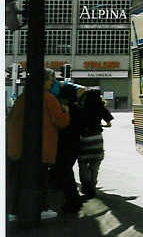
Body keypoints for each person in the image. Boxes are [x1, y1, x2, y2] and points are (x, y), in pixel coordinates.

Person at [6, 68, 71, 222]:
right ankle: (41, 208)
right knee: (41, 179)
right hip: (41, 148)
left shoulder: (23, 97)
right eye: (51, 80)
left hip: (19, 148)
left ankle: (14, 211)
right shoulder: (48, 98)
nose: (53, 83)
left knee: (20, 179)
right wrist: (66, 111)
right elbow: (61, 121)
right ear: (44, 81)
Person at [50, 83, 86, 214]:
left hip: (64, 145)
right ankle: (72, 201)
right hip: (75, 145)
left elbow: (61, 124)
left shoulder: (65, 108)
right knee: (66, 171)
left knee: (64, 171)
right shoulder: (78, 109)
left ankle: (73, 201)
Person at [77, 89, 113, 198]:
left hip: (83, 138)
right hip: (97, 138)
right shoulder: (101, 107)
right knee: (95, 164)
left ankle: (85, 185)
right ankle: (92, 186)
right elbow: (109, 123)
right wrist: (102, 126)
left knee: (83, 163)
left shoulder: (80, 108)